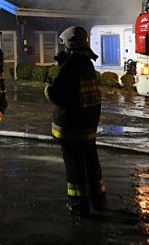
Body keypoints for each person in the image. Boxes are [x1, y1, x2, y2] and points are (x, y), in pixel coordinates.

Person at [45, 26, 106, 218]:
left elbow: (57, 94)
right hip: (88, 126)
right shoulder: (87, 65)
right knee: (91, 164)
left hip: (71, 128)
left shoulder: (70, 67)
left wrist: (49, 84)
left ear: (70, 44)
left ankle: (79, 206)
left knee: (75, 169)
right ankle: (99, 200)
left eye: (63, 45)